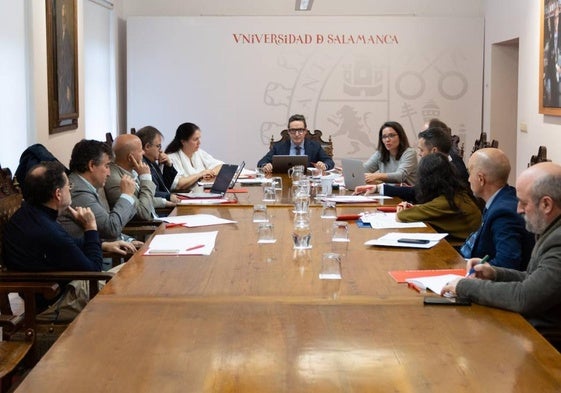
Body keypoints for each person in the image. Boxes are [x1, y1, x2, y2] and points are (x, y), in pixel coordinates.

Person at [442, 162, 561, 345]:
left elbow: (526, 297)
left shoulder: (557, 240)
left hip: (547, 345)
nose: (518, 210)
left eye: (523, 203)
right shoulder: (551, 229)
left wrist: (465, 286)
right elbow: (534, 278)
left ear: (546, 204)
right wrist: (495, 273)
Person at [2, 161, 134, 318]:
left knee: (133, 270)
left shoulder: (29, 214)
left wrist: (103, 244)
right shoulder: (48, 231)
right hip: (57, 302)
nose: (70, 190)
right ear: (58, 194)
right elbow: (93, 271)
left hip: (59, 288)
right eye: (68, 187)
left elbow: (68, 246)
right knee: (133, 286)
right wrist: (90, 228)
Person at [460, 148, 535, 270]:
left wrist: (478, 270)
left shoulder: (503, 213)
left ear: (481, 179)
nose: (468, 179)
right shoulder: (505, 196)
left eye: (470, 173)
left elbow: (507, 263)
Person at [58, 139, 140, 242]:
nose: (109, 173)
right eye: (106, 166)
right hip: (95, 255)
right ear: (92, 165)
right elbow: (111, 229)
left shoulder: (88, 186)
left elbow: (105, 226)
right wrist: (126, 196)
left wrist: (129, 240)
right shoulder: (78, 192)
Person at [355, 127, 467, 201]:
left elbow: (437, 202)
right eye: (384, 137)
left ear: (434, 151)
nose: (419, 154)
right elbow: (418, 191)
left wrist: (411, 211)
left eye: (421, 150)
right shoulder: (441, 163)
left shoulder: (455, 169)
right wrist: (378, 188)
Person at [396, 153, 481, 241]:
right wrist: (415, 208)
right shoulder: (456, 194)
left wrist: (404, 210)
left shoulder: (447, 202)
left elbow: (401, 216)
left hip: (461, 248)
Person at [257, 114, 334, 173]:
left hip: (308, 184)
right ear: (288, 132)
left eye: (300, 130)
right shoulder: (279, 147)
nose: (297, 134)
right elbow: (261, 162)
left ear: (305, 131)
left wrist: (324, 166)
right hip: (285, 183)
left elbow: (329, 162)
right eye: (293, 130)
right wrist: (266, 166)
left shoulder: (315, 146)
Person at [104, 134, 157, 220]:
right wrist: (146, 178)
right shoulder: (118, 181)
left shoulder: (130, 170)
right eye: (140, 150)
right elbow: (143, 213)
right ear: (130, 157)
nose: (143, 152)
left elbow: (142, 199)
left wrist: (165, 202)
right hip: (143, 230)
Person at [135, 126, 192, 206]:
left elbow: (165, 187)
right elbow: (149, 192)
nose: (161, 150)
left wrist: (168, 166)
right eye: (158, 146)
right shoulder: (141, 165)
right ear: (147, 147)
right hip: (159, 209)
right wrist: (168, 196)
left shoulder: (152, 161)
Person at [165, 122, 223, 189]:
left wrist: (209, 173)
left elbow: (221, 166)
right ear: (183, 141)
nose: (199, 142)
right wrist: (200, 174)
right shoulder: (172, 158)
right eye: (195, 139)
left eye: (199, 138)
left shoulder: (199, 153)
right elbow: (178, 184)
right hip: (184, 196)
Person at [363, 121, 417, 185]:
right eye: (384, 137)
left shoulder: (410, 153)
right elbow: (364, 170)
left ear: (400, 136)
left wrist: (376, 176)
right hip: (387, 192)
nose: (387, 140)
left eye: (391, 135)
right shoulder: (380, 154)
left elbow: (400, 176)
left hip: (406, 193)